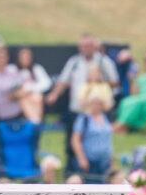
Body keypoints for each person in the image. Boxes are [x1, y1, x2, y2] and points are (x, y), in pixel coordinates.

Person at [46, 34, 117, 171]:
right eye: (83, 46)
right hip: (78, 111)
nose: (85, 49)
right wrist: (54, 94)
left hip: (98, 113)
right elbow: (63, 81)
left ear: (94, 46)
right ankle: (72, 172)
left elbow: (115, 82)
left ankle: (101, 170)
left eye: (88, 46)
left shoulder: (103, 62)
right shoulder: (74, 62)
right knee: (72, 143)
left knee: (98, 142)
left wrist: (99, 81)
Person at [71, 95, 115, 184]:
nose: (96, 106)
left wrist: (111, 159)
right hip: (90, 160)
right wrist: (81, 158)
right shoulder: (84, 119)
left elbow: (108, 139)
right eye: (94, 103)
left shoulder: (106, 118)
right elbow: (75, 140)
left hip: (105, 161)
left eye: (99, 103)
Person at [115, 51, 146, 133]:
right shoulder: (141, 76)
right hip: (140, 96)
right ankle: (124, 126)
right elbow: (134, 92)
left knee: (136, 103)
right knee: (126, 101)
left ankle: (121, 126)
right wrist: (132, 80)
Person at [15, 47, 51, 124]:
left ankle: (35, 121)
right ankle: (36, 123)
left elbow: (47, 83)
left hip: (33, 97)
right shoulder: (13, 69)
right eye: (23, 57)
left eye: (27, 57)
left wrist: (30, 89)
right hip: (18, 98)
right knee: (23, 99)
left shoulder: (37, 68)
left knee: (37, 97)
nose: (25, 59)